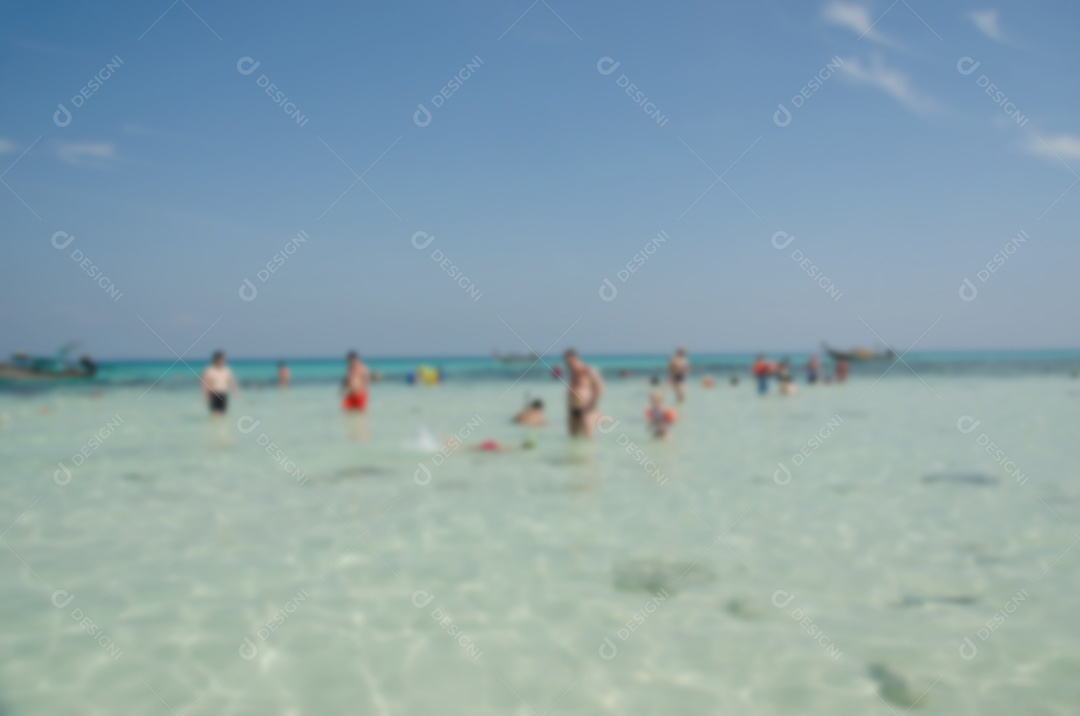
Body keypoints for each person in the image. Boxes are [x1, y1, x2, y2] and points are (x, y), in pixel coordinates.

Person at [565, 349, 604, 437]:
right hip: (573, 408)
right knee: (573, 437)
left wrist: (593, 403)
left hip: (586, 408)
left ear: (576, 359)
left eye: (571, 363)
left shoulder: (587, 370)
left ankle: (591, 451)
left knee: (588, 435)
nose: (570, 365)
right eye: (568, 364)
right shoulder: (573, 373)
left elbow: (599, 387)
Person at [202, 351, 238, 415]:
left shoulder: (226, 370)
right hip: (213, 394)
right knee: (215, 414)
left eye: (222, 359)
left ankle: (221, 425)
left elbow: (231, 381)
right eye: (219, 360)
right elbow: (205, 384)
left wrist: (235, 391)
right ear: (215, 360)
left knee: (223, 413)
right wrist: (206, 397)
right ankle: (214, 425)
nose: (220, 361)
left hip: (223, 394)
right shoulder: (210, 370)